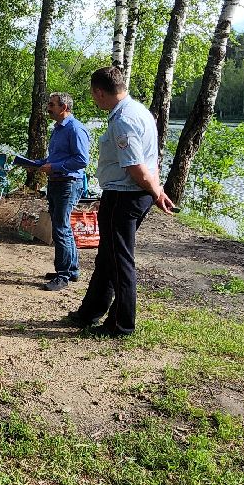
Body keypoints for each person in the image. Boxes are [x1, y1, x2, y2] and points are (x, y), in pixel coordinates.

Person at [66, 67, 176, 337]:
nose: (94, 100)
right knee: (107, 256)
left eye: (94, 95)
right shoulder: (140, 112)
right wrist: (156, 188)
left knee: (119, 261)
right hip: (133, 194)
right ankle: (90, 312)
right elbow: (154, 158)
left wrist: (156, 192)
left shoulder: (123, 121)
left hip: (124, 197)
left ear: (99, 92)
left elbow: (137, 167)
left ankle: (121, 324)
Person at [20, 92, 91, 291]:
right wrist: (37, 164)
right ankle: (72, 270)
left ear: (64, 108)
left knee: (61, 229)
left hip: (68, 184)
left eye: (52, 105)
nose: (48, 108)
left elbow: (82, 160)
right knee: (62, 226)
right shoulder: (58, 129)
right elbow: (55, 157)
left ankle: (63, 275)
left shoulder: (75, 129)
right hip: (56, 182)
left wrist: (55, 167)